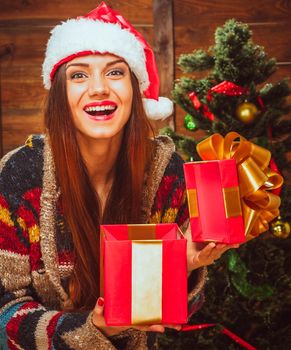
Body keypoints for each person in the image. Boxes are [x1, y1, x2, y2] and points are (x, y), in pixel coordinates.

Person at [0, 2, 238, 349]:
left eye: (114, 72)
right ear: (60, 96)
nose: (98, 88)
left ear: (134, 89)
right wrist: (94, 327)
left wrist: (183, 264)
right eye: (79, 75)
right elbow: (4, 313)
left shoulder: (166, 172)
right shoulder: (20, 174)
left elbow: (176, 313)